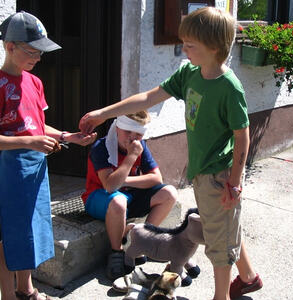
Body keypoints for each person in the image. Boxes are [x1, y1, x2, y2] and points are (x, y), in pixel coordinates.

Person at [79, 6, 264, 300]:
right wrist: (105, 112)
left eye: (190, 45)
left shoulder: (229, 88)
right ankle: (249, 277)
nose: (184, 50)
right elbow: (149, 97)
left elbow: (241, 136)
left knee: (219, 242)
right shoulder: (189, 74)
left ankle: (221, 296)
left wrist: (234, 182)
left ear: (214, 47)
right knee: (223, 229)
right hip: (202, 174)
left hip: (220, 176)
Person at [0, 11, 97, 300]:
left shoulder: (34, 82)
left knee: (30, 229)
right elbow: (26, 135)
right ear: (9, 46)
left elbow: (37, 125)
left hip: (33, 170)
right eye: (32, 51)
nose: (39, 58)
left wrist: (68, 137)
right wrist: (30, 142)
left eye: (41, 51)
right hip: (7, 171)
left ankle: (26, 289)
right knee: (8, 235)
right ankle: (7, 294)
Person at [81, 110, 177, 280]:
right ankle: (116, 252)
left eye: (138, 134)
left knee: (169, 193)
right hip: (98, 198)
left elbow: (157, 178)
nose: (132, 138)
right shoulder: (101, 148)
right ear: (117, 128)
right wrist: (131, 157)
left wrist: (124, 181)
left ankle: (144, 240)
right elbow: (110, 186)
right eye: (128, 132)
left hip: (128, 196)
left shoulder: (142, 146)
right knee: (118, 201)